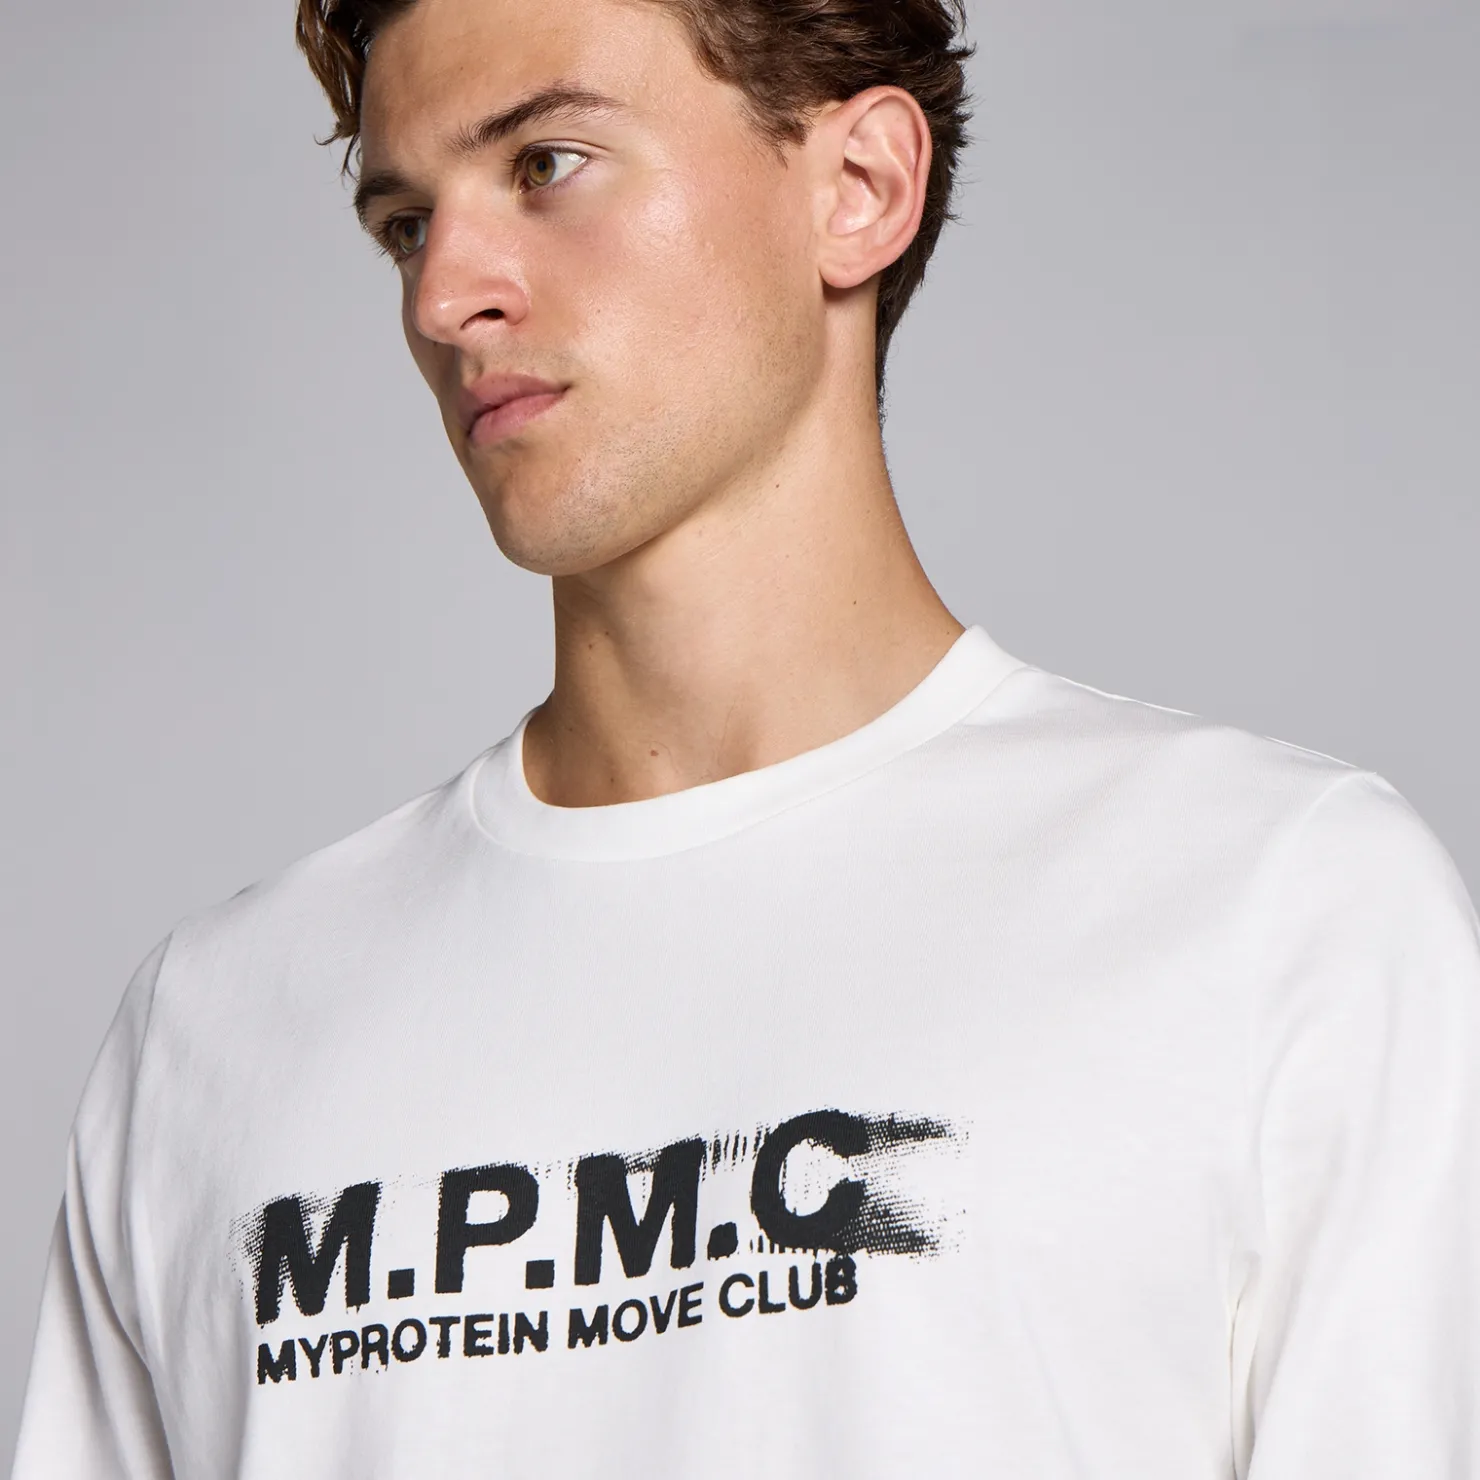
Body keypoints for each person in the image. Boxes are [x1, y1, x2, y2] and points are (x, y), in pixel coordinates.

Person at [12, 0, 1480, 1473]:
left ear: (859, 188)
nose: (444, 295)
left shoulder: (1272, 913)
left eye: (547, 164)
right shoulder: (216, 1032)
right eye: (406, 226)